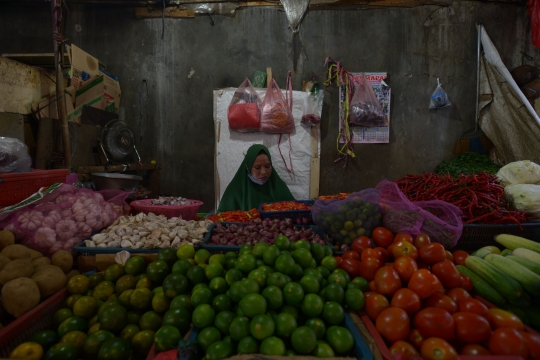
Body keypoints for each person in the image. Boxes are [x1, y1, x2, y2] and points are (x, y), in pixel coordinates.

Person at [217, 144, 295, 212]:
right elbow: (221, 219)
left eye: (267, 166)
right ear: (248, 167)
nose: (264, 172)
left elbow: (296, 211)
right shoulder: (235, 190)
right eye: (257, 167)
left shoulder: (279, 187)